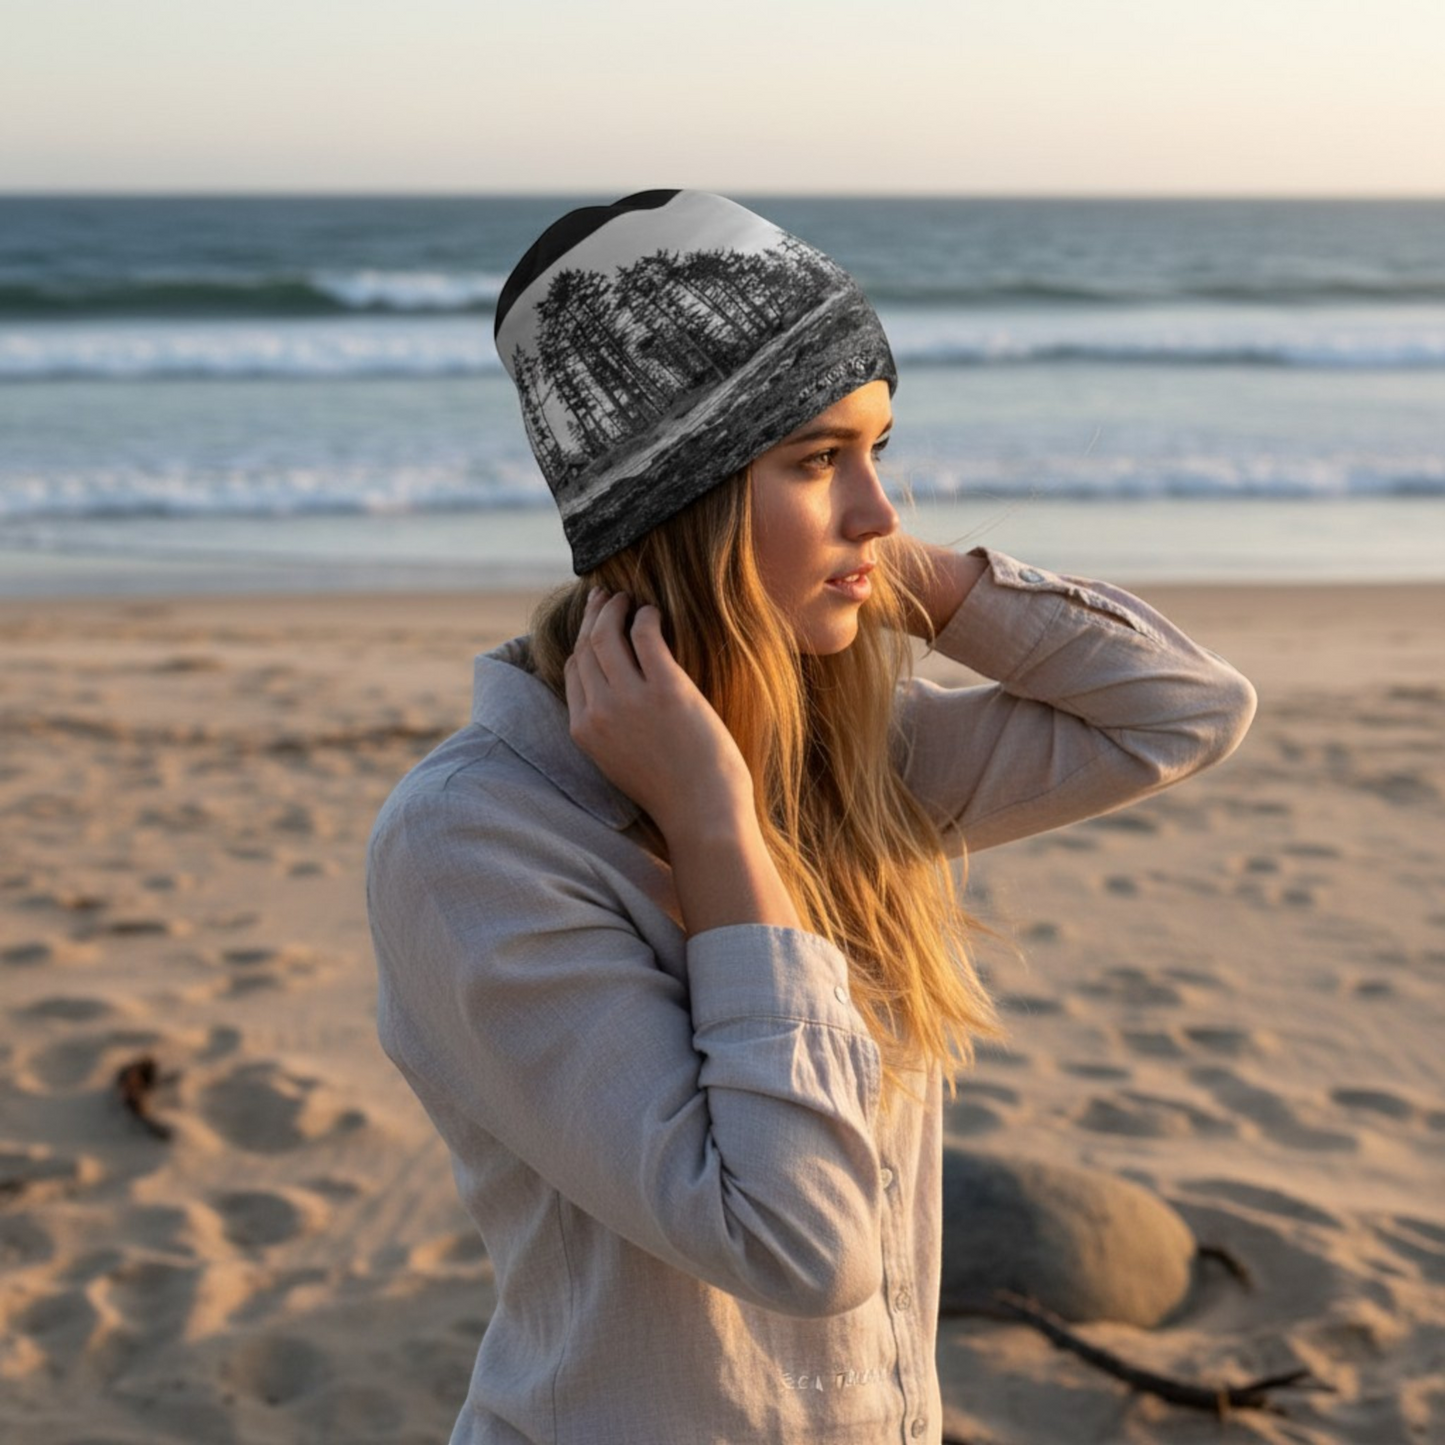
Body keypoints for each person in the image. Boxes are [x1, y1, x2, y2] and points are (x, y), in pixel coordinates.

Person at [365, 190, 1256, 1445]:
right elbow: (792, 1239)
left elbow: (1183, 710)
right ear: (680, 504)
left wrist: (911, 582)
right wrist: (716, 828)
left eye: (877, 450)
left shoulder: (842, 762)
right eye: (816, 459)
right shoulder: (474, 841)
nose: (879, 511)